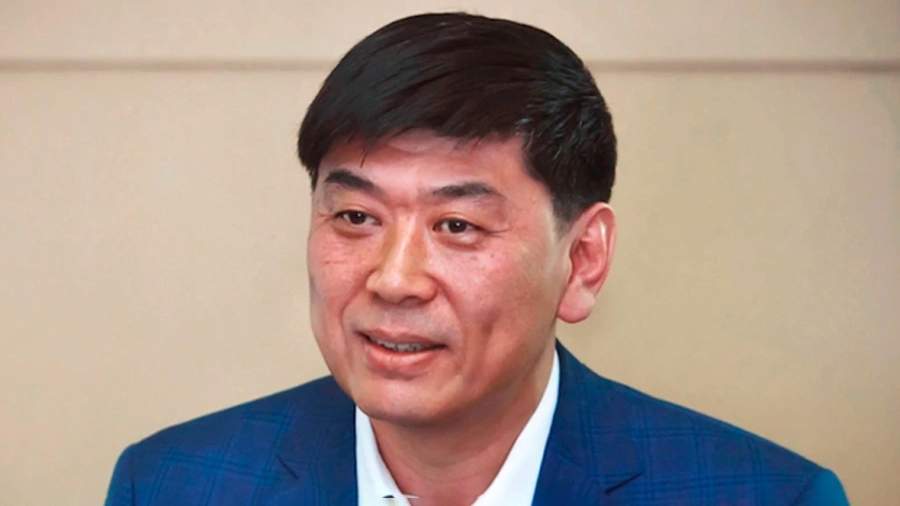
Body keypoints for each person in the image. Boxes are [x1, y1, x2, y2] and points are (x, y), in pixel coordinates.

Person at [105, 12, 848, 506]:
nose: (394, 279)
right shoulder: (173, 485)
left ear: (583, 260)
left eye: (457, 225)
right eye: (356, 217)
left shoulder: (763, 496)